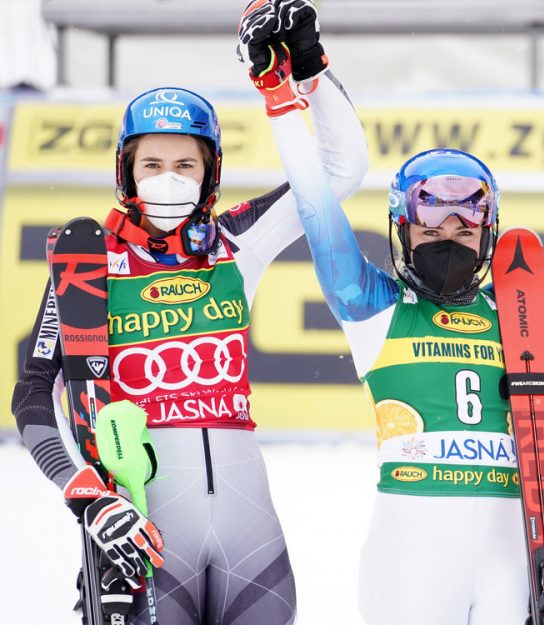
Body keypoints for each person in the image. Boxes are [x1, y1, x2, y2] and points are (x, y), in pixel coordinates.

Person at [246, 27, 544, 625]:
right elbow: (316, 201)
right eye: (431, 230)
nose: (448, 239)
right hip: (410, 558)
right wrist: (282, 97)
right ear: (403, 231)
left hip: (509, 557)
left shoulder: (516, 306)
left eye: (465, 230)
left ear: (488, 234)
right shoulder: (370, 305)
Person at [11, 2, 367, 623]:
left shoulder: (236, 241)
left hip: (248, 524)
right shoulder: (87, 260)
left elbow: (342, 171)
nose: (167, 178)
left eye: (185, 165)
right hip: (144, 529)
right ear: (127, 169)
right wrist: (89, 498)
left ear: (210, 174)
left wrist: (307, 71)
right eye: (152, 164)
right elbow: (35, 394)